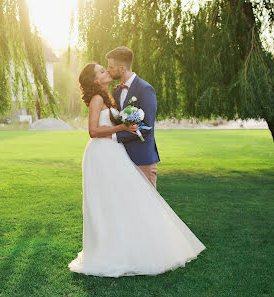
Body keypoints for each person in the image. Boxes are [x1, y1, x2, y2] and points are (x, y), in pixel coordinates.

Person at [67, 63, 205, 277]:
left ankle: (131, 245)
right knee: (107, 202)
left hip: (113, 151)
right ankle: (108, 251)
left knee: (125, 197)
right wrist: (122, 127)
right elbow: (93, 131)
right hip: (101, 154)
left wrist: (129, 123)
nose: (107, 72)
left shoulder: (107, 96)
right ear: (95, 80)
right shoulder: (96, 99)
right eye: (102, 71)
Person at [107, 46, 159, 188]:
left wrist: (116, 137)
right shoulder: (117, 91)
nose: (108, 70)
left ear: (122, 68)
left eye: (111, 67)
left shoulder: (145, 89)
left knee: (148, 206)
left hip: (143, 159)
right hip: (122, 159)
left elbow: (147, 126)